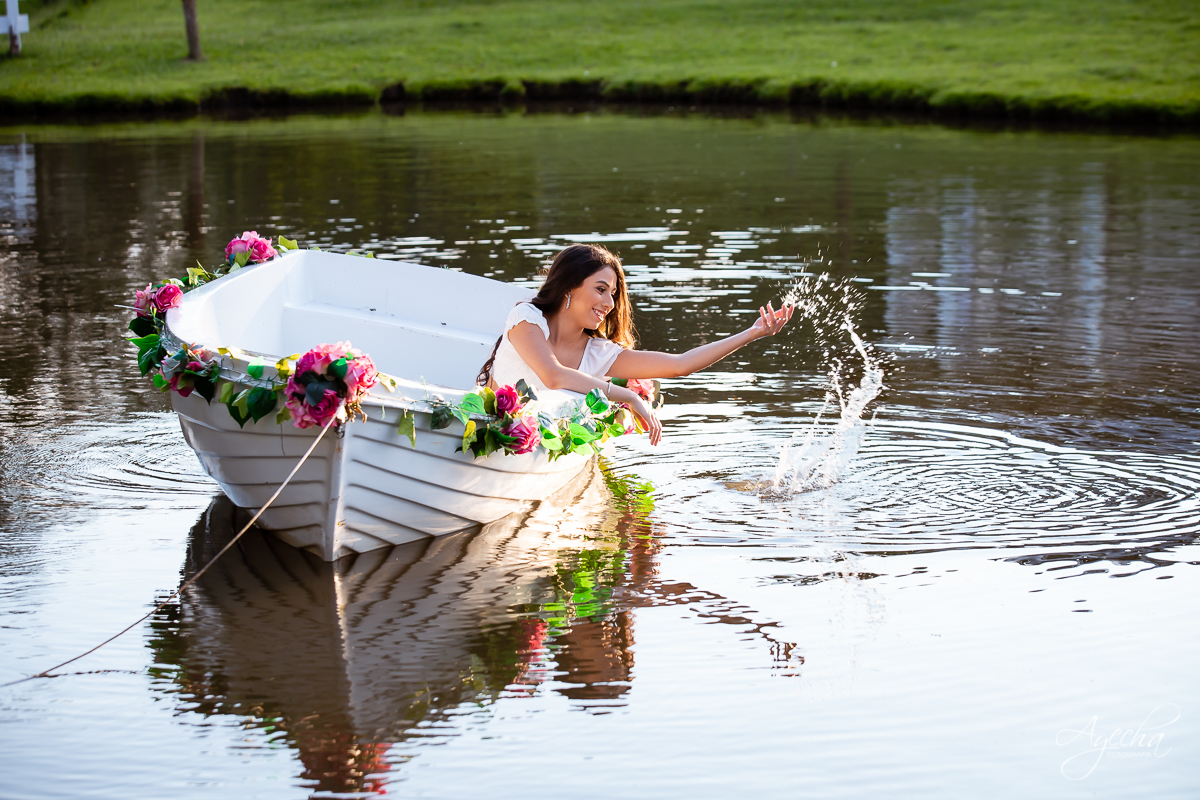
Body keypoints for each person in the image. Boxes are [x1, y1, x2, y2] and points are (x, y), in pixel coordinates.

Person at [477, 243, 793, 446]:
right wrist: (628, 395)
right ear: (569, 287)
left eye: (613, 293)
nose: (609, 303)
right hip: (483, 427)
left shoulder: (599, 353)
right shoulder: (526, 317)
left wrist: (751, 333)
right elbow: (552, 375)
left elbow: (679, 365)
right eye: (601, 289)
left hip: (537, 443)